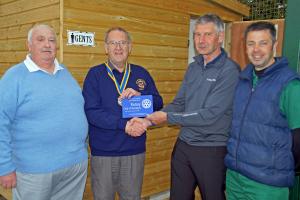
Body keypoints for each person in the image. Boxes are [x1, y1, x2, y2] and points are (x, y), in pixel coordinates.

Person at [140, 14, 240, 200]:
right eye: (197, 34)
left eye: (207, 34)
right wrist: (148, 120)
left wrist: (168, 118)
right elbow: (180, 103)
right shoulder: (193, 67)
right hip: (184, 145)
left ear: (219, 36)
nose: (201, 40)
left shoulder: (229, 71)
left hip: (211, 148)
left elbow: (210, 115)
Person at [0, 24, 88, 200]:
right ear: (29, 45)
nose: (47, 44)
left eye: (51, 40)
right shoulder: (14, 77)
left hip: (74, 167)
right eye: (40, 39)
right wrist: (4, 167)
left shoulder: (65, 73)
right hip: (34, 171)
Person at [82, 27, 163, 200]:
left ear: (130, 47)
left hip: (134, 151)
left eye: (123, 43)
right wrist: (124, 125)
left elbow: (158, 103)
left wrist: (141, 96)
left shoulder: (141, 73)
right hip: (104, 153)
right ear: (106, 48)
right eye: (113, 43)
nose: (118, 47)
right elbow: (92, 112)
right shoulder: (95, 75)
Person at [225, 21, 300, 200]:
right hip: (235, 177)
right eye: (251, 44)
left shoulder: (290, 85)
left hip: (267, 185)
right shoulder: (242, 80)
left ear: (274, 45)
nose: (256, 49)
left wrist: (282, 170)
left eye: (263, 43)